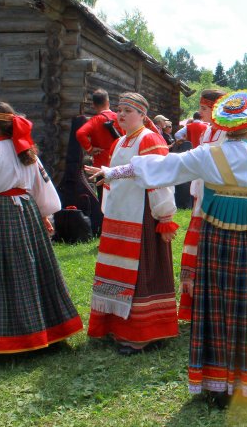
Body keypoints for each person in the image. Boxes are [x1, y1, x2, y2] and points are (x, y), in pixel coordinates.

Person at [90, 90, 247, 404]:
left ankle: (218, 383)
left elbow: (160, 166)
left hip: (219, 241)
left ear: (225, 125)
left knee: (219, 306)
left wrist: (113, 172)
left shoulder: (208, 154)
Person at [0, 101, 82, 353]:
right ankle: (47, 333)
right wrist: (43, 215)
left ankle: (4, 340)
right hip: (28, 214)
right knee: (33, 272)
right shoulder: (26, 152)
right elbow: (43, 188)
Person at [86, 93, 179, 355]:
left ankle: (144, 332)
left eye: (128, 110)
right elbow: (122, 175)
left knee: (142, 272)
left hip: (143, 217)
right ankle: (117, 326)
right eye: (119, 109)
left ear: (142, 114)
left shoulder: (150, 138)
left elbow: (156, 176)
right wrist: (108, 179)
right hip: (120, 214)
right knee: (118, 270)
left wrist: (165, 215)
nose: (122, 114)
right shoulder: (119, 142)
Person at [177, 89, 227, 320]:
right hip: (202, 195)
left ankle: (215, 302)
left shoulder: (227, 133)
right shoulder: (208, 131)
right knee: (197, 246)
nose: (201, 112)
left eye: (205, 108)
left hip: (218, 197)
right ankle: (197, 304)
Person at [76, 89, 120, 170]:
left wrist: (90, 149)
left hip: (101, 164)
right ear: (108, 102)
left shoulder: (95, 120)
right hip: (120, 161)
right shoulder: (120, 118)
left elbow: (80, 133)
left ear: (93, 105)